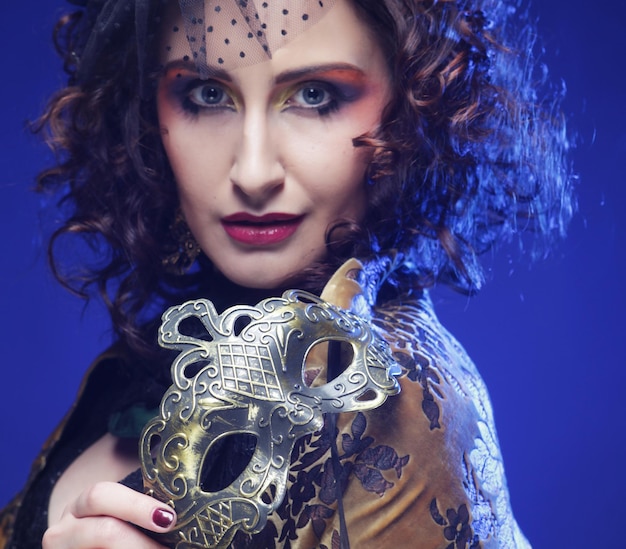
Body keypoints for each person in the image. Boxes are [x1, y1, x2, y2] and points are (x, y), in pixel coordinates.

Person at [0, 0, 573, 547]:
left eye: (315, 94)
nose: (252, 172)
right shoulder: (140, 368)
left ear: (413, 103)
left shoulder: (390, 395)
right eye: (205, 94)